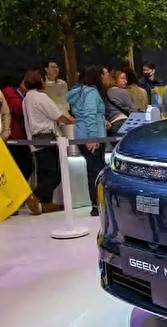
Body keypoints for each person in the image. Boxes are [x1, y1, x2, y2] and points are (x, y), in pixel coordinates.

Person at [22, 68, 75, 214]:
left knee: (44, 174)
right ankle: (34, 197)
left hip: (35, 140)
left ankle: (44, 205)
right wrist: (71, 121)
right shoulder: (41, 97)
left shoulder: (27, 98)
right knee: (54, 174)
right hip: (47, 139)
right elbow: (57, 115)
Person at [66, 66, 107, 216]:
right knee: (96, 171)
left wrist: (102, 121)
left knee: (93, 170)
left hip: (82, 135)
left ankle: (97, 203)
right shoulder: (91, 92)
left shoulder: (79, 92)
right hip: (92, 138)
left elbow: (84, 114)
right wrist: (93, 137)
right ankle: (97, 204)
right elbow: (90, 114)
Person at [105, 69, 135, 136]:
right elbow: (133, 110)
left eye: (126, 79)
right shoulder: (123, 92)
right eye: (122, 78)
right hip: (123, 123)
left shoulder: (107, 92)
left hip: (112, 124)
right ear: (115, 79)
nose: (126, 81)